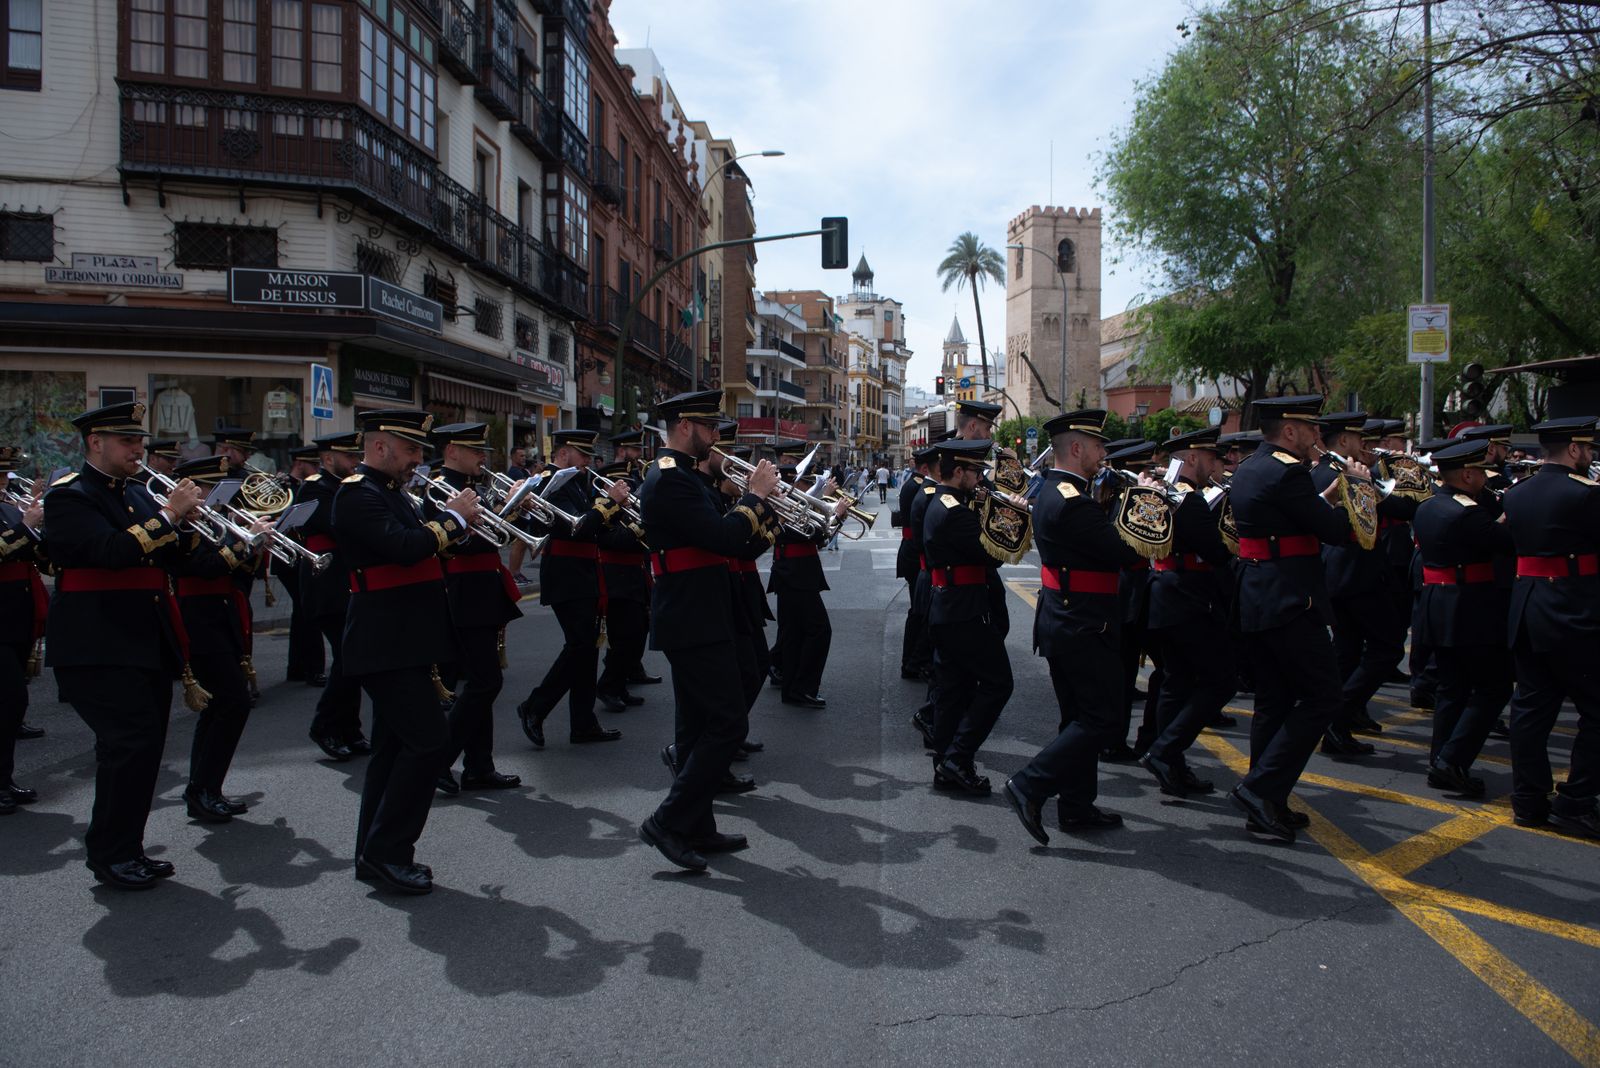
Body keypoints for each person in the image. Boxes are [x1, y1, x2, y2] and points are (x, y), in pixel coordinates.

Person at [44, 401, 205, 889]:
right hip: (96, 643)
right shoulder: (70, 498)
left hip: (144, 637)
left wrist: (198, 526)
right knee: (126, 745)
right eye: (127, 442)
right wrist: (168, 516)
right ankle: (109, 854)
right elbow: (109, 553)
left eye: (139, 441)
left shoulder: (135, 492)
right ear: (95, 443)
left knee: (144, 748)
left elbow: (173, 558)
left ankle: (127, 848)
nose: (139, 450)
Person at [334, 408, 480, 894]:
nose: (419, 459)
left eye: (420, 450)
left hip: (404, 639)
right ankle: (389, 852)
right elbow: (402, 547)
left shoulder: (395, 494)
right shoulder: (357, 494)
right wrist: (455, 519)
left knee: (392, 748)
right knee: (429, 742)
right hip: (383, 641)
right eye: (411, 449)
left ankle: (372, 851)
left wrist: (451, 522)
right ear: (380, 448)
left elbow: (422, 545)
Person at [638, 389, 780, 871]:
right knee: (728, 723)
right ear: (683, 426)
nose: (717, 436)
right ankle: (668, 820)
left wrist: (759, 510)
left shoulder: (688, 479)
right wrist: (756, 497)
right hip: (691, 616)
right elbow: (722, 537)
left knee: (698, 726)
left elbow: (732, 544)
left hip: (701, 611)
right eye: (710, 428)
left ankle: (696, 824)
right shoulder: (669, 478)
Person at [1226, 395, 1364, 843]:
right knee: (1323, 697)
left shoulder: (1252, 467)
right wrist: (1358, 488)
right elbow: (1337, 531)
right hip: (1289, 598)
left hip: (1259, 593)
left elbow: (1285, 519)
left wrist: (1322, 497)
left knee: (1274, 700)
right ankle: (1260, 788)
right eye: (1310, 429)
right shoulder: (1289, 472)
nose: (1316, 437)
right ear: (1289, 431)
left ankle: (1267, 803)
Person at [1002, 411, 1144, 844]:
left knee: (1078, 718)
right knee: (1103, 719)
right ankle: (1031, 783)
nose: (1104, 455)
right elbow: (1129, 553)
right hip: (1084, 621)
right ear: (1077, 448)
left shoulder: (1052, 490)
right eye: (1098, 447)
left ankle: (1076, 806)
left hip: (1066, 618)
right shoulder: (1072, 500)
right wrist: (1145, 500)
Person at [1501, 416, 1600, 838]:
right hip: (1575, 613)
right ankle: (1576, 801)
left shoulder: (1517, 493)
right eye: (1589, 449)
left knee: (1531, 709)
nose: (1591, 456)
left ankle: (1528, 798)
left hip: (1528, 608)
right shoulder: (1587, 495)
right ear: (1575, 450)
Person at [168, 454, 270, 823]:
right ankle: (202, 789)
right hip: (197, 618)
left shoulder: (216, 521)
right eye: (210, 489)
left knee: (223, 706)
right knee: (231, 703)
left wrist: (255, 544)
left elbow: (241, 571)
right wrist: (243, 546)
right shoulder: (181, 526)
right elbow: (200, 568)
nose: (216, 498)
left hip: (224, 614)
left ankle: (205, 787)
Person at [515, 430, 631, 749]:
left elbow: (595, 528)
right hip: (566, 573)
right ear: (564, 453)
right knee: (579, 646)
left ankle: (583, 722)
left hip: (585, 572)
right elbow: (575, 528)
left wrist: (614, 509)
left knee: (588, 647)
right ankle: (534, 707)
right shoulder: (550, 484)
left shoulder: (576, 481)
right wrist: (609, 505)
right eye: (582, 456)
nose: (587, 463)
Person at [1410, 439, 1514, 798]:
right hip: (1469, 608)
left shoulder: (1429, 506)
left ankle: (1441, 762)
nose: (1486, 478)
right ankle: (1451, 760)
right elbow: (1505, 540)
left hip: (1438, 605)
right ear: (1467, 474)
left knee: (1452, 689)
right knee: (1494, 687)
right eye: (1481, 472)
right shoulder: (1468, 514)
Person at [423, 423, 523, 796]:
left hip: (484, 588)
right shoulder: (438, 488)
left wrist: (512, 509)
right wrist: (499, 509)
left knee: (484, 679)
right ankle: (439, 760)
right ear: (451, 450)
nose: (483, 457)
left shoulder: (473, 485)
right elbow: (454, 545)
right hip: (461, 589)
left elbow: (498, 537)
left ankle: (480, 765)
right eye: (475, 450)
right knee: (484, 681)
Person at [1139, 426, 1236, 798]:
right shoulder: (1191, 500)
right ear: (1192, 459)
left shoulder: (1162, 493)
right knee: (1220, 680)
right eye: (1212, 459)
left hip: (1165, 595)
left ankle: (1171, 764)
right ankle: (1166, 752)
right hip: (1188, 599)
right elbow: (1217, 553)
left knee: (1175, 681)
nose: (1218, 466)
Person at [1308, 411, 1411, 756]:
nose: (1365, 445)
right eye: (1358, 438)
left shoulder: (1321, 470)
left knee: (1348, 652)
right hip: (1357, 574)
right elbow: (1394, 506)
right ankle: (1338, 715)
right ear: (1343, 441)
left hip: (1338, 575)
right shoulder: (1341, 473)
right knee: (1387, 648)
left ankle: (1337, 725)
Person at [924, 439, 1013, 795]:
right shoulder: (955, 510)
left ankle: (946, 763)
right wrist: (1010, 517)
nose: (980, 478)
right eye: (975, 471)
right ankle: (958, 758)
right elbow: (992, 555)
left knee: (954, 689)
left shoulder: (944, 502)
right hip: (964, 610)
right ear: (957, 472)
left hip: (949, 606)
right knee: (998, 683)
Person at [297, 431, 368, 762]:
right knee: (347, 658)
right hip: (326, 585)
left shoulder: (347, 486)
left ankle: (350, 730)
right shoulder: (314, 487)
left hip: (346, 580)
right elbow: (338, 524)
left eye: (356, 456)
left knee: (352, 658)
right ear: (327, 460)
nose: (355, 462)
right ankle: (324, 725)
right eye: (348, 457)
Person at [595, 428, 657, 712]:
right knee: (625, 635)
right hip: (616, 577)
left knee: (639, 630)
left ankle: (622, 682)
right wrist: (640, 525)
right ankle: (609, 686)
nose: (627, 492)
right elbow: (610, 540)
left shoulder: (630, 504)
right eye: (621, 486)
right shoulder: (602, 506)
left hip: (636, 574)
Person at [0, 445, 45, 814]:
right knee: (8, 699)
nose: (4, 482)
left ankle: (4, 778)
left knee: (11, 704)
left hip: (15, 614)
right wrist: (26, 526)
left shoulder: (6, 506)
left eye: (5, 475)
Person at [769, 468, 834, 709]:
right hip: (794, 573)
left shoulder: (793, 501)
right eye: (806, 483)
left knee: (795, 633)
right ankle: (801, 687)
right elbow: (815, 532)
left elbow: (819, 538)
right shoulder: (783, 502)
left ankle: (794, 688)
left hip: (798, 572)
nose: (808, 489)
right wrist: (829, 507)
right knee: (818, 631)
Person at [278, 443, 327, 686]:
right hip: (288, 556)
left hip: (299, 555)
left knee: (302, 612)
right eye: (313, 465)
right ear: (299, 463)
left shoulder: (304, 486)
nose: (317, 469)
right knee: (307, 612)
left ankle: (298, 667)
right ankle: (312, 668)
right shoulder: (284, 486)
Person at [896, 444, 938, 680]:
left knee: (918, 611)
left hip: (912, 553)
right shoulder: (920, 487)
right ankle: (912, 662)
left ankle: (913, 661)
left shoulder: (915, 484)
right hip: (915, 555)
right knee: (919, 613)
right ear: (925, 467)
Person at [505, 445, 533, 583]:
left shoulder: (523, 471)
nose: (524, 458)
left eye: (524, 455)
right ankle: (513, 573)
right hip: (518, 512)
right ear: (513, 457)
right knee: (519, 543)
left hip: (525, 512)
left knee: (522, 543)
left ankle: (517, 571)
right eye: (521, 456)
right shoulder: (514, 473)